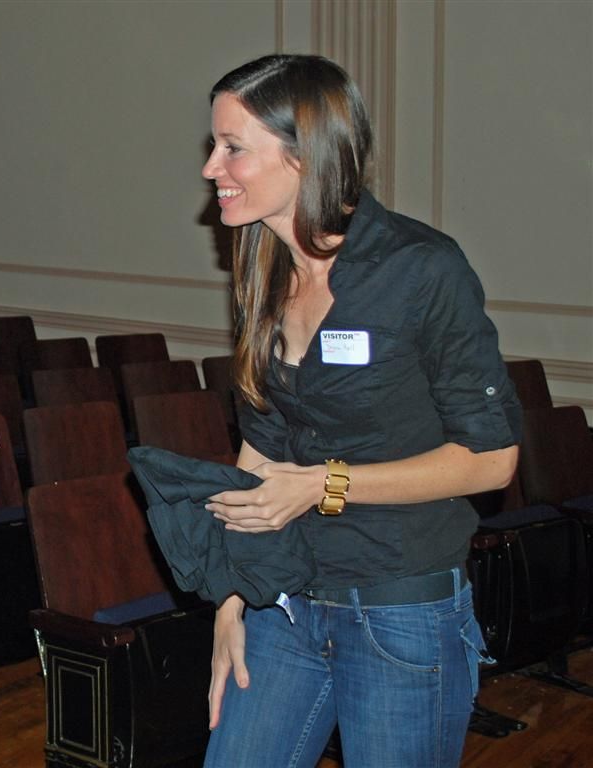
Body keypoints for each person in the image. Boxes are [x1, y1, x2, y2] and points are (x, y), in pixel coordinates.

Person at [198, 54, 521, 767]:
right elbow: (258, 455)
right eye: (212, 145)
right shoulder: (261, 269)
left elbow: (491, 460)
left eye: (232, 147)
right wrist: (230, 598)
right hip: (279, 602)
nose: (210, 168)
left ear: (302, 153)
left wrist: (322, 485)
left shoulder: (421, 268)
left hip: (398, 613)